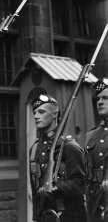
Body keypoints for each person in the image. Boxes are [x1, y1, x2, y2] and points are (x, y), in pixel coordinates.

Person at [29, 94, 86, 222]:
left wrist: (55, 189)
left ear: (54, 114)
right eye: (35, 112)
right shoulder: (34, 150)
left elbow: (81, 183)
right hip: (44, 217)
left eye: (41, 112)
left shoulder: (69, 146)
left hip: (68, 216)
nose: (36, 116)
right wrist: (35, 218)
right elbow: (35, 191)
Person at [85, 78, 108, 221]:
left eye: (105, 98)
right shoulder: (90, 135)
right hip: (94, 205)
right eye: (98, 98)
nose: (99, 102)